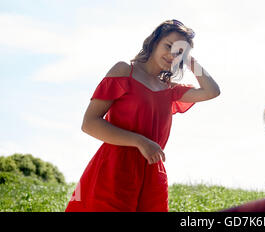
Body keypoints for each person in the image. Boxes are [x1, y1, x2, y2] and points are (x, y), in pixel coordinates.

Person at [66, 19, 220, 211]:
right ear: (154, 42)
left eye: (179, 52)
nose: (172, 54)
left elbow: (212, 91)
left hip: (151, 175)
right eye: (168, 45)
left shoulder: (169, 90)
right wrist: (140, 141)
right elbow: (89, 123)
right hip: (113, 171)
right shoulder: (124, 71)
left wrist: (189, 59)